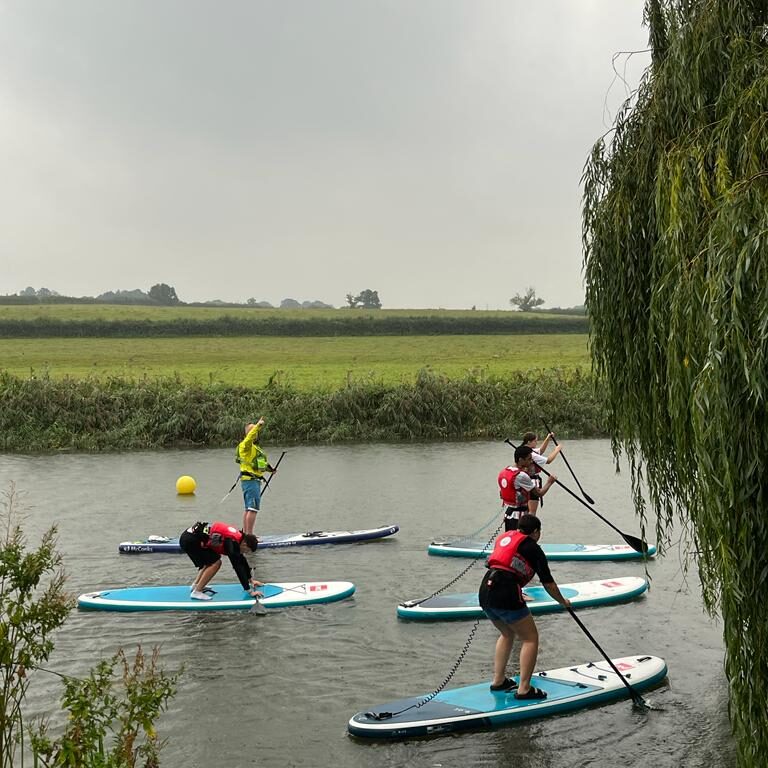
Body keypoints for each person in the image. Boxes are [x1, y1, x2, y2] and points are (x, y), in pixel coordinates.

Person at [478, 514, 571, 699]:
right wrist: (563, 601)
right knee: (530, 638)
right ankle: (524, 688)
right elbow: (549, 584)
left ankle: (498, 681)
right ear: (536, 531)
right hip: (505, 592)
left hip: (485, 590)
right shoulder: (533, 548)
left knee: (507, 633)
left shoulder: (505, 537)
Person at [179, 520, 263, 601]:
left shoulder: (239, 538)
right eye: (246, 550)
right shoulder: (231, 542)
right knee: (216, 563)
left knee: (211, 560)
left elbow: (242, 560)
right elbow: (238, 567)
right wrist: (249, 591)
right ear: (245, 544)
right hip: (189, 540)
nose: (245, 552)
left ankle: (196, 586)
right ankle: (197, 592)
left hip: (190, 537)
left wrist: (250, 580)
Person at [498, 445, 557, 531]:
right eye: (529, 459)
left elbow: (501, 494)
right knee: (523, 542)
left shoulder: (505, 472)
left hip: (509, 514)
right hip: (521, 517)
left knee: (512, 541)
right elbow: (539, 493)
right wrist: (549, 482)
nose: (531, 461)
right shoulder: (521, 476)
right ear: (521, 460)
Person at [236, 418, 277, 536]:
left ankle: (245, 534)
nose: (256, 432)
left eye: (256, 430)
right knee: (253, 509)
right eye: (253, 430)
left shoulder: (255, 447)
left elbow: (260, 463)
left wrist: (271, 470)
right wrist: (258, 425)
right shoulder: (246, 445)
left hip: (253, 481)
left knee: (249, 509)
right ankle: (249, 536)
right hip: (250, 481)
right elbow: (249, 438)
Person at [521, 431, 562, 511]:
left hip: (526, 481)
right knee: (532, 511)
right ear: (529, 442)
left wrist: (547, 438)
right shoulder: (531, 454)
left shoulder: (525, 450)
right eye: (535, 441)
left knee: (527, 510)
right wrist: (557, 450)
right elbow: (549, 460)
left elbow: (540, 451)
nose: (536, 443)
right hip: (532, 482)